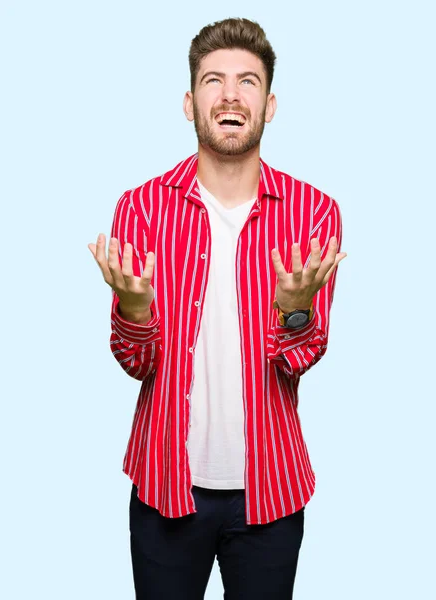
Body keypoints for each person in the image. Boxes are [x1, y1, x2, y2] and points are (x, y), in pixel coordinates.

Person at [88, 17, 346, 600]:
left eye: (247, 81)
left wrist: (295, 311)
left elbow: (300, 358)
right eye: (213, 80)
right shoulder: (142, 209)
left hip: (271, 494)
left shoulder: (313, 214)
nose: (230, 94)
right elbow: (134, 361)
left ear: (270, 104)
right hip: (164, 487)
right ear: (189, 102)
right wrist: (134, 310)